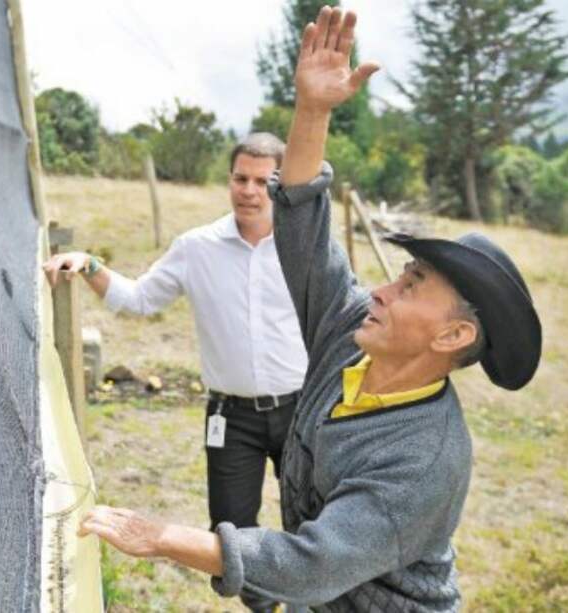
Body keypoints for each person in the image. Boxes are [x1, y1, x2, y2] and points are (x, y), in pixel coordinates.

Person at [77, 7, 542, 612]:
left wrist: (160, 537)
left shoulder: (422, 459)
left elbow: (309, 564)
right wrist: (313, 111)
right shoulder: (350, 336)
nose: (381, 291)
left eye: (411, 286)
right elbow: (303, 231)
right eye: (399, 275)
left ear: (453, 335)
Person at [43, 132, 309, 539]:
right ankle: (258, 584)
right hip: (232, 419)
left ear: (279, 185)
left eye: (262, 181)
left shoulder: (303, 245)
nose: (249, 191)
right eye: (241, 179)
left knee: (311, 526)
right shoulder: (197, 248)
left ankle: (299, 585)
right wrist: (89, 265)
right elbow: (138, 299)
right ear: (229, 180)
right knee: (229, 536)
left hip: (301, 410)